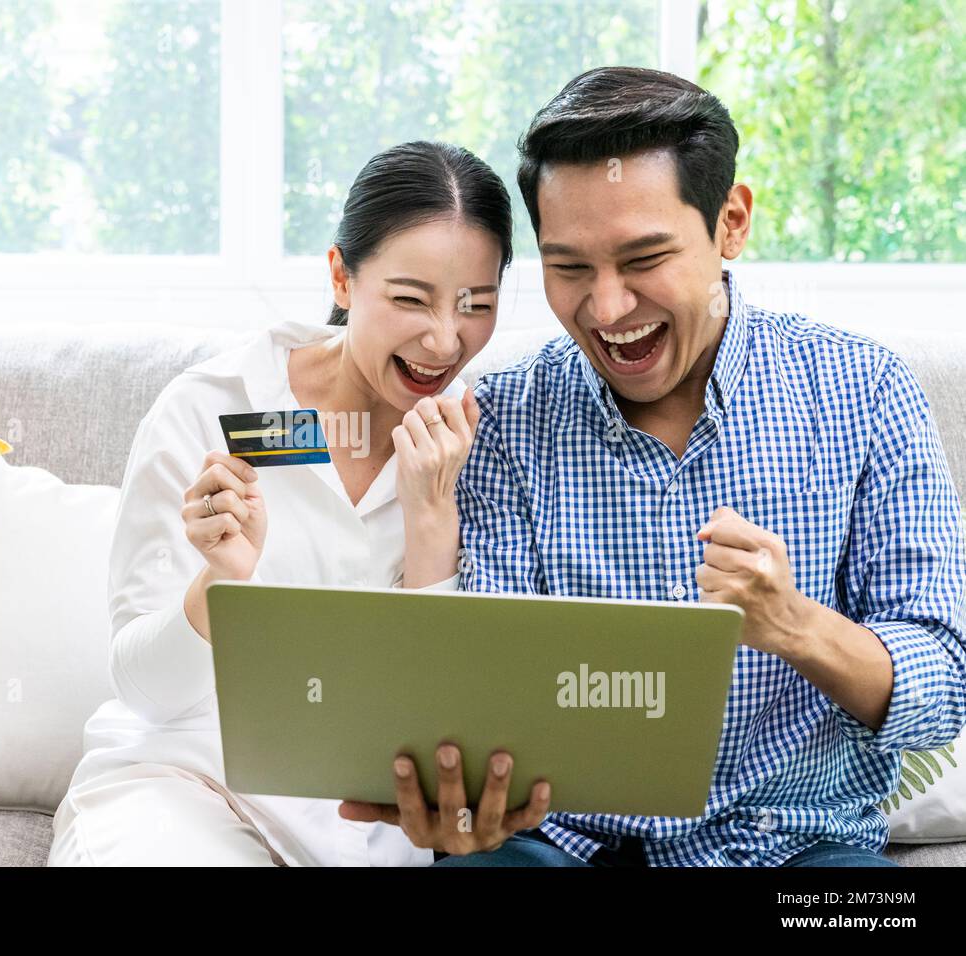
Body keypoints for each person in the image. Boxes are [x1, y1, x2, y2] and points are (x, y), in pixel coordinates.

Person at [343, 67, 966, 866]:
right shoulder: (501, 421)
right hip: (558, 849)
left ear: (730, 221)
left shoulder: (865, 392)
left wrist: (798, 627)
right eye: (569, 267)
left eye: (644, 258)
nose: (606, 310)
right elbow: (480, 701)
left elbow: (944, 692)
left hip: (798, 854)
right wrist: (458, 808)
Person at [48, 140, 548, 866]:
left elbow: (446, 724)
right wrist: (220, 582)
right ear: (342, 277)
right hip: (182, 790)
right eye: (410, 299)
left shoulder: (484, 444)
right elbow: (143, 690)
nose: (445, 339)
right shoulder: (211, 408)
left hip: (363, 838)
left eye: (475, 305)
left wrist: (430, 514)